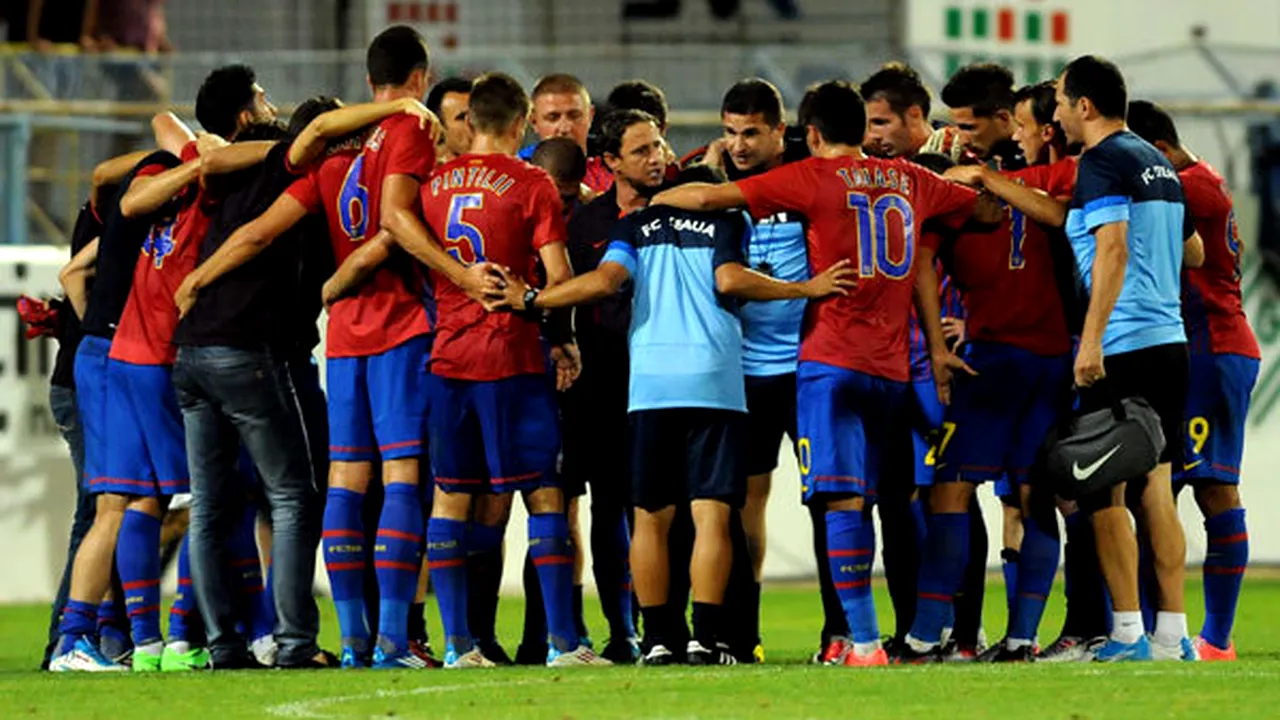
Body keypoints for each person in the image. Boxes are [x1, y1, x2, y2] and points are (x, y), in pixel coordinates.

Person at [650, 80, 977, 667]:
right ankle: (925, 635)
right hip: (894, 369)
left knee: (839, 504)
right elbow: (980, 210)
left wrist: (652, 204)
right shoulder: (910, 178)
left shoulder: (811, 178)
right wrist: (973, 179)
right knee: (900, 503)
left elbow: (704, 203)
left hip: (827, 364)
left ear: (810, 134)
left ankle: (864, 642)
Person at [488, 163, 855, 666]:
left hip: (651, 387)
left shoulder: (634, 225)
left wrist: (532, 298)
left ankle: (659, 638)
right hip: (713, 382)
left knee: (649, 518)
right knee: (711, 515)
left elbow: (606, 280)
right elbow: (728, 279)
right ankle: (707, 638)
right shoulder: (729, 222)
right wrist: (804, 289)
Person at [173, 98, 423, 671]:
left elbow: (244, 223)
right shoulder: (301, 171)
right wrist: (398, 106)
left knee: (210, 506)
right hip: (249, 352)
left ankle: (223, 644)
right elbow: (264, 234)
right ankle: (295, 642)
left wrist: (197, 279)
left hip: (190, 352)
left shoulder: (229, 185)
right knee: (293, 497)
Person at [412, 71, 606, 669]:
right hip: (512, 355)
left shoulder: (433, 185)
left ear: (469, 121)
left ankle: (458, 645)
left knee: (450, 499)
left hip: (448, 358)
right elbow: (561, 279)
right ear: (521, 123)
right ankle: (563, 644)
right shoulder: (532, 183)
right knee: (544, 494)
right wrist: (560, 336)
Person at [899, 64, 1076, 663]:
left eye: (968, 126)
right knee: (995, 495)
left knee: (990, 494)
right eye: (953, 127)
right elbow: (923, 261)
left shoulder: (1037, 179)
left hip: (1029, 361)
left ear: (1009, 122)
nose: (959, 137)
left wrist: (982, 175)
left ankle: (943, 636)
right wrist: (941, 344)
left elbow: (1061, 220)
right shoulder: (968, 186)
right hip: (1010, 360)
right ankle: (995, 634)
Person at [509, 108, 668, 665]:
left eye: (659, 146)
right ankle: (550, 633)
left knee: (622, 508)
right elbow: (561, 291)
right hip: (586, 379)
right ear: (610, 162)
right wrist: (556, 338)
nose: (658, 158)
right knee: (563, 502)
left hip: (650, 378)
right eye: (643, 149)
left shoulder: (681, 208)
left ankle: (632, 631)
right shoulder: (584, 224)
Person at [1053, 55, 1198, 662]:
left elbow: (1110, 251)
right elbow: (1192, 253)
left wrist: (1091, 340)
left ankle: (1128, 634)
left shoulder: (1102, 161)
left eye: (1061, 101)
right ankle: (1173, 636)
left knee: (1102, 491)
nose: (1057, 112)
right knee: (1156, 486)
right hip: (1169, 342)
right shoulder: (1157, 163)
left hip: (1123, 345)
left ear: (1085, 106)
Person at [1128, 99, 1260, 661]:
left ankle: (1215, 639)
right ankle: (1164, 633)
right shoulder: (1202, 181)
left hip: (1212, 349)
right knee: (1160, 489)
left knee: (1210, 488)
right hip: (1201, 347)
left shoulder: (1188, 187)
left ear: (1157, 151)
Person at [521, 73, 613, 192]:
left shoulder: (616, 168)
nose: (565, 128)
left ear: (590, 116)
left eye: (574, 116)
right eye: (553, 117)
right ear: (534, 121)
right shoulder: (517, 176)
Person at [426, 77, 473, 163]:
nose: (474, 123)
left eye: (477, 116)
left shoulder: (502, 169)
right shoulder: (423, 174)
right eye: (462, 118)